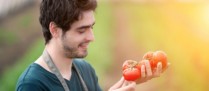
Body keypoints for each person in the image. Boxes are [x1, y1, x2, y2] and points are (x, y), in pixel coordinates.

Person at [16, 0, 168, 91]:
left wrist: (131, 80)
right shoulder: (32, 85)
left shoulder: (86, 70)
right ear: (55, 30)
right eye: (82, 30)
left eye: (91, 27)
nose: (91, 37)